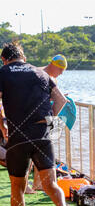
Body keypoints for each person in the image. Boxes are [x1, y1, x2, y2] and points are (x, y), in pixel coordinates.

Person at [0, 42, 82, 206]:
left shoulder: (3, 72)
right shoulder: (41, 74)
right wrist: (51, 122)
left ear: (4, 59)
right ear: (24, 58)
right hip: (43, 133)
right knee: (50, 183)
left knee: (17, 187)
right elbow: (62, 101)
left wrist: (2, 126)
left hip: (18, 135)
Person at [25, 53, 69, 193]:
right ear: (54, 65)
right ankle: (26, 185)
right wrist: (53, 120)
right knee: (31, 153)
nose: (61, 73)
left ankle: (37, 184)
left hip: (38, 117)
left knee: (41, 153)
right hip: (39, 119)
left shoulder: (42, 74)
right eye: (61, 70)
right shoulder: (43, 75)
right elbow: (60, 100)